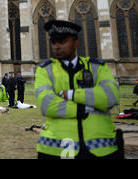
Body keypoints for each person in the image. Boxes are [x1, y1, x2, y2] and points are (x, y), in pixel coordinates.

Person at [35, 19, 122, 159]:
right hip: (57, 150)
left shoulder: (97, 67)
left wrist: (71, 94)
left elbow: (110, 97)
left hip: (101, 148)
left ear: (76, 42)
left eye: (62, 41)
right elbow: (47, 105)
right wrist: (89, 107)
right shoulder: (45, 70)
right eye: (53, 42)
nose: (56, 46)